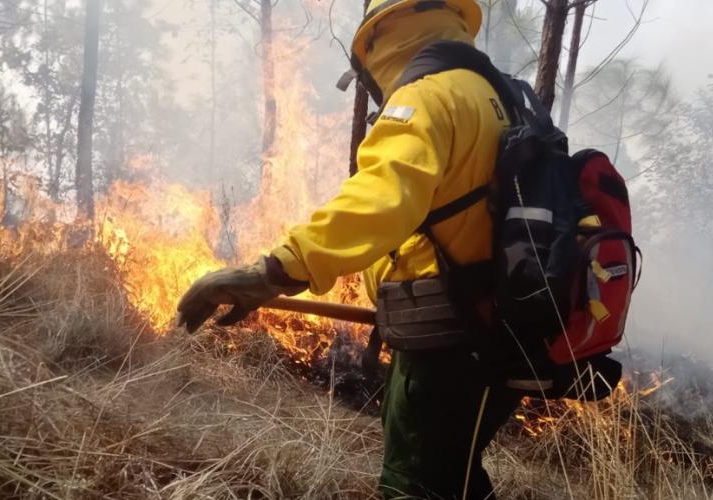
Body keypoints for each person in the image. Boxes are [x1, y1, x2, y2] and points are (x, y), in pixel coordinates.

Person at [177, 1, 523, 498]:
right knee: (456, 475)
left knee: (414, 485)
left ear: (383, 37)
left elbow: (379, 202)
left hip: (447, 340)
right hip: (498, 334)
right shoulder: (496, 98)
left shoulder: (429, 99)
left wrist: (275, 270)